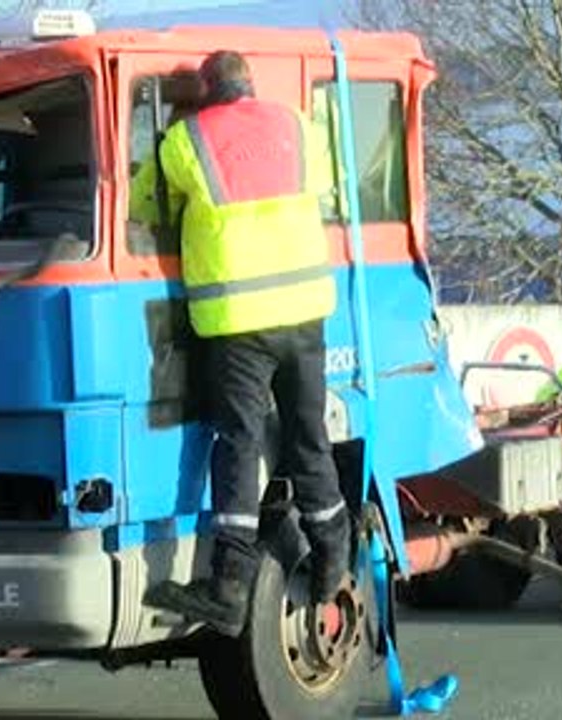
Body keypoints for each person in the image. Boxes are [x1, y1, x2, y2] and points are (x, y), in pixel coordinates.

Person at [142, 51, 349, 638]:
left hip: (238, 321)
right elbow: (327, 180)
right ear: (250, 85)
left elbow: (144, 204)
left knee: (239, 442)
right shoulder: (296, 127)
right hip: (306, 312)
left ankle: (229, 587)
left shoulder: (187, 140)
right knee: (309, 439)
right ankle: (333, 556)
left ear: (205, 92)